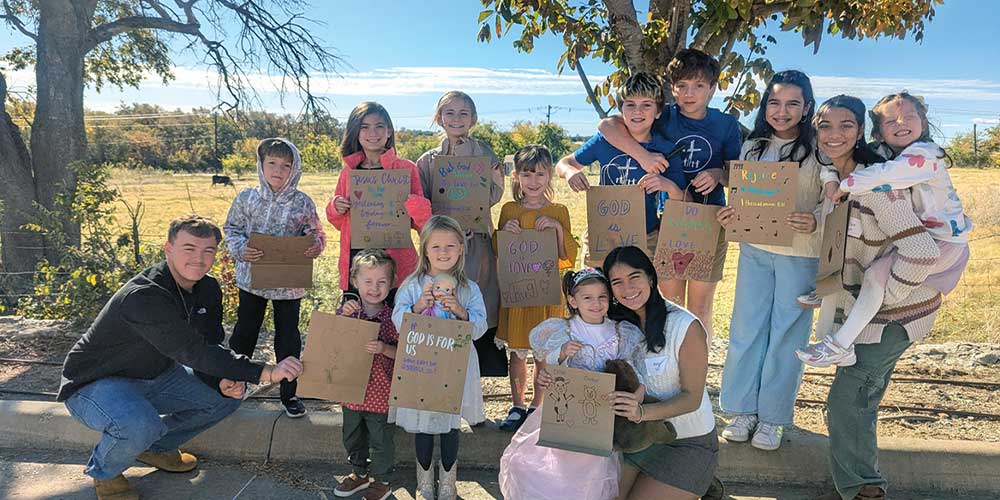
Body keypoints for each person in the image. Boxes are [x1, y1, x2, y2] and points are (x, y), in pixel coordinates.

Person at [58, 215, 303, 500]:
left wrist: (221, 378)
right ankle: (106, 472)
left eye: (208, 251)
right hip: (96, 383)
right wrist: (267, 371)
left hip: (157, 375)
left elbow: (209, 343)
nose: (198, 259)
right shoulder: (144, 296)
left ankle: (155, 448)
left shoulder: (208, 288)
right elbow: (191, 351)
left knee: (226, 399)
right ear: (168, 249)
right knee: (140, 424)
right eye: (189, 249)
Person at [805, 95, 948, 500]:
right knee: (857, 400)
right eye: (825, 126)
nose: (834, 135)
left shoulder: (880, 188)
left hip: (895, 316)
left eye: (846, 125)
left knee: (847, 402)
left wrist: (884, 300)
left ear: (862, 132)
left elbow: (922, 251)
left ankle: (865, 490)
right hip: (870, 313)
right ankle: (863, 485)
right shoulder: (838, 182)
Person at [796, 92, 972, 367]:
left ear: (923, 124)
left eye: (909, 117)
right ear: (879, 133)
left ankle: (841, 345)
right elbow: (833, 163)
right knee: (868, 260)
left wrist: (844, 185)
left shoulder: (924, 154)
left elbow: (882, 176)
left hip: (944, 242)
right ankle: (837, 297)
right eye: (891, 121)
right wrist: (832, 179)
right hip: (923, 235)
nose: (901, 123)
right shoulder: (885, 154)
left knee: (877, 278)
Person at [595, 49, 742, 344]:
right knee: (669, 301)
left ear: (712, 88)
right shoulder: (663, 116)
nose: (690, 93)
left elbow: (736, 174)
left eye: (699, 86)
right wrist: (642, 156)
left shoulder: (725, 124)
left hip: (709, 218)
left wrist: (717, 175)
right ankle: (668, 367)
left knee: (700, 307)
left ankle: (696, 375)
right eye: (682, 86)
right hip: (668, 221)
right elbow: (607, 126)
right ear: (672, 88)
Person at [714, 71, 823, 451]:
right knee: (746, 331)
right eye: (775, 102)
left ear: (807, 107)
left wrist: (816, 218)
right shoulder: (753, 147)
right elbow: (745, 195)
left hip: (801, 255)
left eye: (793, 103)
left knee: (786, 336)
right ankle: (741, 410)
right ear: (765, 106)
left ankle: (773, 418)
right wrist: (731, 214)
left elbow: (834, 198)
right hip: (755, 252)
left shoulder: (819, 149)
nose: (782, 111)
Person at [498, 267, 645, 500]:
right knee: (552, 468)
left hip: (599, 415)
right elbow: (551, 372)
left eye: (602, 297)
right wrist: (561, 355)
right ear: (573, 301)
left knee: (591, 473)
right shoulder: (564, 330)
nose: (596, 303)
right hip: (566, 413)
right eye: (587, 298)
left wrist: (637, 392)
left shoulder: (619, 332)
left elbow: (631, 371)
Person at [598, 246, 721, 500]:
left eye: (635, 277)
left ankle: (696, 482)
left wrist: (641, 413)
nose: (628, 289)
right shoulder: (615, 326)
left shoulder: (685, 326)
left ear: (651, 277)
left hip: (688, 442)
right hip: (639, 440)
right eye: (617, 282)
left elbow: (692, 397)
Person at [390, 215, 489, 500]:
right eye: (436, 247)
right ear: (424, 250)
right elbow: (400, 324)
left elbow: (480, 328)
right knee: (423, 424)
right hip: (422, 366)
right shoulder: (412, 286)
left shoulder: (469, 289)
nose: (443, 252)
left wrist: (460, 310)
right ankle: (425, 482)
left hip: (454, 368)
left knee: (449, 425)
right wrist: (420, 306)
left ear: (461, 249)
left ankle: (448, 483)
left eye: (450, 246)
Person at [415, 91, 508, 378]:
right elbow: (423, 201)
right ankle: (440, 373)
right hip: (442, 249)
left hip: (477, 243)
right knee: (441, 303)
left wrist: (497, 178)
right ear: (439, 118)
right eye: (450, 112)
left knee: (475, 300)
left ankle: (474, 375)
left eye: (463, 113)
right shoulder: (428, 160)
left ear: (473, 119)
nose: (457, 119)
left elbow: (490, 196)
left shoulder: (484, 154)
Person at [555, 72, 684, 265]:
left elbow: (682, 201)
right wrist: (570, 173)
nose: (637, 111)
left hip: (646, 236)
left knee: (638, 292)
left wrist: (667, 186)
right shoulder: (604, 141)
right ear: (620, 109)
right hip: (602, 233)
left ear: (658, 111)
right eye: (630, 104)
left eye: (646, 105)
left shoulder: (665, 150)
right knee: (594, 290)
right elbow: (563, 164)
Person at [495, 144, 579, 432]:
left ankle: (537, 406)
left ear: (549, 177)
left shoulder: (559, 211)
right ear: (516, 176)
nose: (533, 182)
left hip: (546, 294)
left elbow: (568, 256)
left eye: (540, 174)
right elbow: (500, 251)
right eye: (527, 175)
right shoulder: (509, 210)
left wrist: (556, 228)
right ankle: (517, 405)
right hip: (518, 294)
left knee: (543, 354)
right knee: (517, 353)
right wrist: (504, 234)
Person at [327, 101, 432, 299]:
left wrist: (412, 203)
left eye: (379, 126)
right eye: (364, 127)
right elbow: (340, 224)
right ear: (355, 132)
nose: (372, 133)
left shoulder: (405, 169)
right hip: (358, 262)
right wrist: (335, 207)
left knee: (395, 324)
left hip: (395, 263)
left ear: (390, 131)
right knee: (358, 325)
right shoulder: (348, 172)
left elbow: (423, 223)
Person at [333, 250, 400, 500]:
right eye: (368, 281)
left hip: (382, 393)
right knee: (352, 435)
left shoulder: (394, 318)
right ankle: (359, 473)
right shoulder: (349, 312)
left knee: (381, 440)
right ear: (354, 281)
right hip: (350, 390)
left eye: (382, 282)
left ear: (392, 283)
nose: (374, 288)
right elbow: (332, 343)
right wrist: (343, 316)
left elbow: (405, 354)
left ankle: (382, 480)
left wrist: (384, 348)